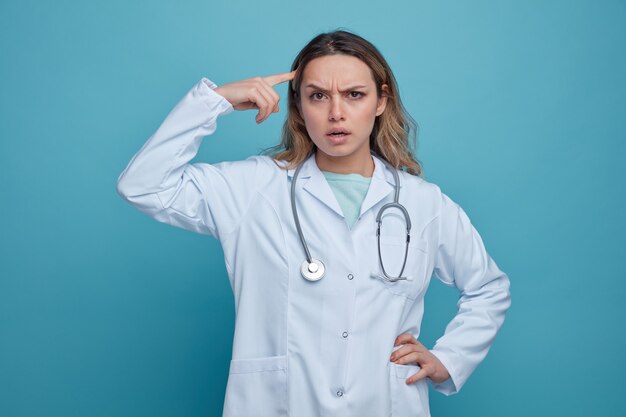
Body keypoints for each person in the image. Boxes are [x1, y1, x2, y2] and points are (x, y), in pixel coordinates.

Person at [116, 29, 511, 417]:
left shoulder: (423, 204)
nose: (336, 112)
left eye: (354, 95)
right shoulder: (252, 188)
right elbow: (143, 185)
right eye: (318, 96)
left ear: (380, 101)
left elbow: (488, 288)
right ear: (298, 106)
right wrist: (214, 102)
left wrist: (450, 360)